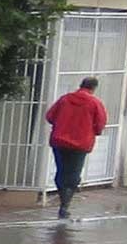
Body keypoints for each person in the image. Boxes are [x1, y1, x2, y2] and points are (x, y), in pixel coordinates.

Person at [46, 77, 109, 219]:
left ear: (80, 85)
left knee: (61, 171)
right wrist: (92, 131)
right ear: (93, 88)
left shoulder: (65, 99)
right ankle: (65, 205)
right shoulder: (95, 103)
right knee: (73, 174)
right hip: (80, 143)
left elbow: (50, 116)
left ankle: (63, 200)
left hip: (59, 141)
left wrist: (61, 123)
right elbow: (100, 124)